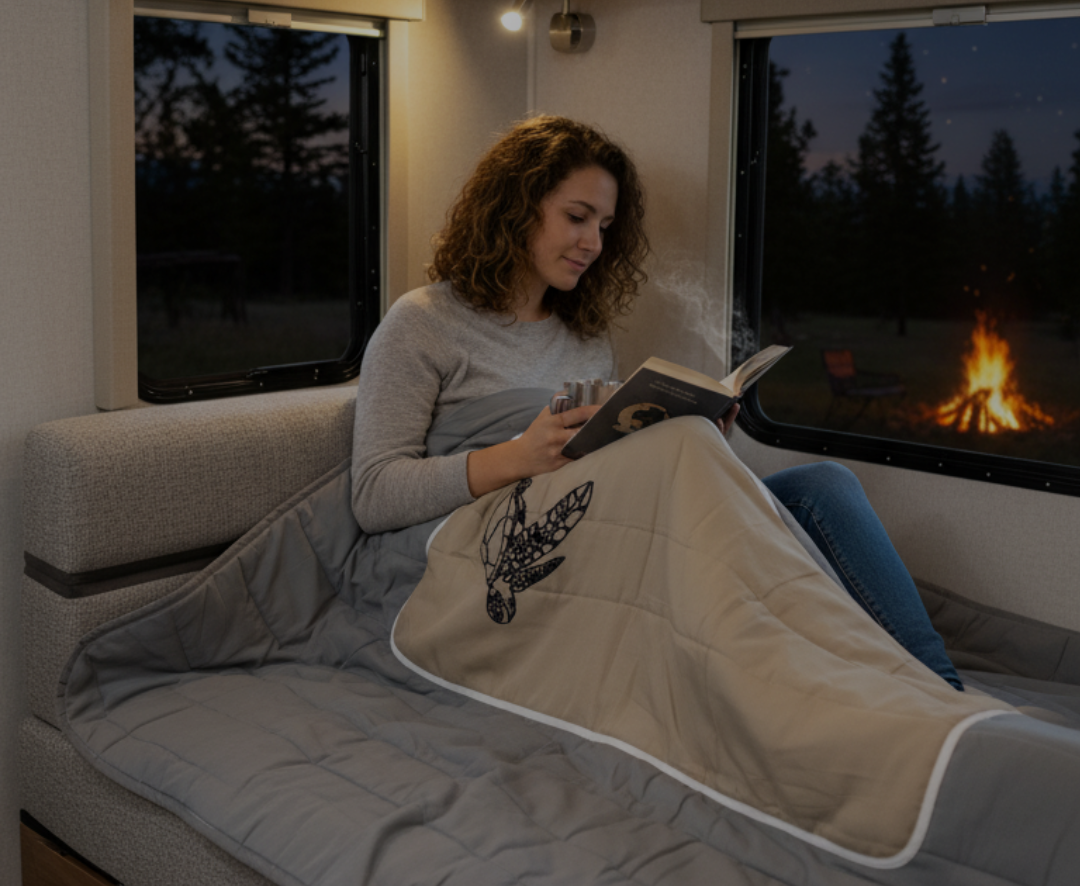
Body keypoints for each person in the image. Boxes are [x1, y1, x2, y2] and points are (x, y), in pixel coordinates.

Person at [352, 115, 962, 689]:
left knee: (825, 485)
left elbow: (605, 453)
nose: (593, 242)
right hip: (513, 540)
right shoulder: (423, 323)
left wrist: (692, 436)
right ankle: (842, 673)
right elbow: (375, 495)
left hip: (611, 506)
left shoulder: (584, 335)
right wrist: (517, 455)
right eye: (577, 217)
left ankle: (940, 684)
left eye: (605, 226)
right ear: (514, 209)